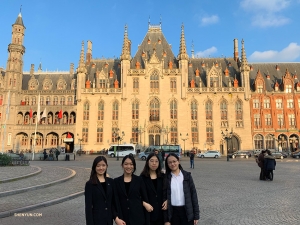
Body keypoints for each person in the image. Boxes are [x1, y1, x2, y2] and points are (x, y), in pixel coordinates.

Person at [85, 156, 125, 225]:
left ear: (107, 166)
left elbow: (112, 203)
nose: (101, 168)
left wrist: (116, 218)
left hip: (108, 221)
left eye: (103, 165)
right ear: (94, 167)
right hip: (96, 221)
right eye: (98, 166)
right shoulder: (90, 184)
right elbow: (88, 208)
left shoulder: (111, 182)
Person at [164, 153, 200, 225]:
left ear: (178, 161)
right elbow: (164, 197)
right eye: (170, 162)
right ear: (167, 164)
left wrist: (196, 215)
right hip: (173, 212)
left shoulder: (187, 176)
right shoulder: (166, 178)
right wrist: (166, 220)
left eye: (174, 161)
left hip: (186, 212)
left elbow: (193, 195)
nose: (172, 164)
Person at [114, 154, 150, 225]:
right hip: (123, 219)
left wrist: (143, 202)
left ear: (134, 166)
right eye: (126, 164)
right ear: (122, 165)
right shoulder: (116, 181)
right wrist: (116, 218)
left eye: (131, 164)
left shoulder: (139, 180)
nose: (128, 166)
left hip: (138, 219)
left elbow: (144, 198)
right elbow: (114, 202)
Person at [140, 153, 167, 225]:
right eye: (151, 161)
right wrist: (144, 203)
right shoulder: (142, 178)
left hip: (161, 214)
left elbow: (168, 192)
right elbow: (137, 195)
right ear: (147, 162)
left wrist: (168, 201)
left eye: (156, 161)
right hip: (148, 214)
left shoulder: (163, 177)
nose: (154, 163)